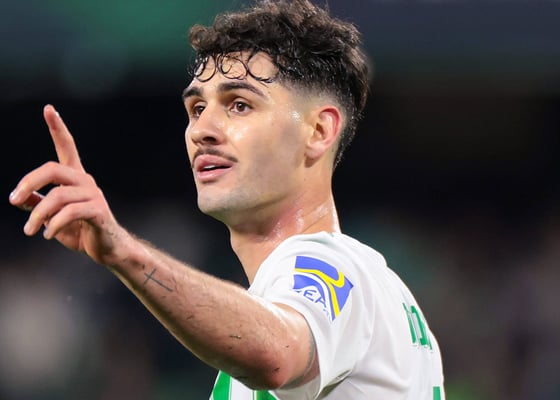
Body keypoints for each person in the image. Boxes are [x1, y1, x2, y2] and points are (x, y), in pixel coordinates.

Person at [9, 0, 445, 399]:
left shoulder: (331, 266)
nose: (202, 130)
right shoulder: (375, 291)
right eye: (197, 109)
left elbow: (277, 354)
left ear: (318, 131)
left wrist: (126, 252)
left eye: (239, 105)